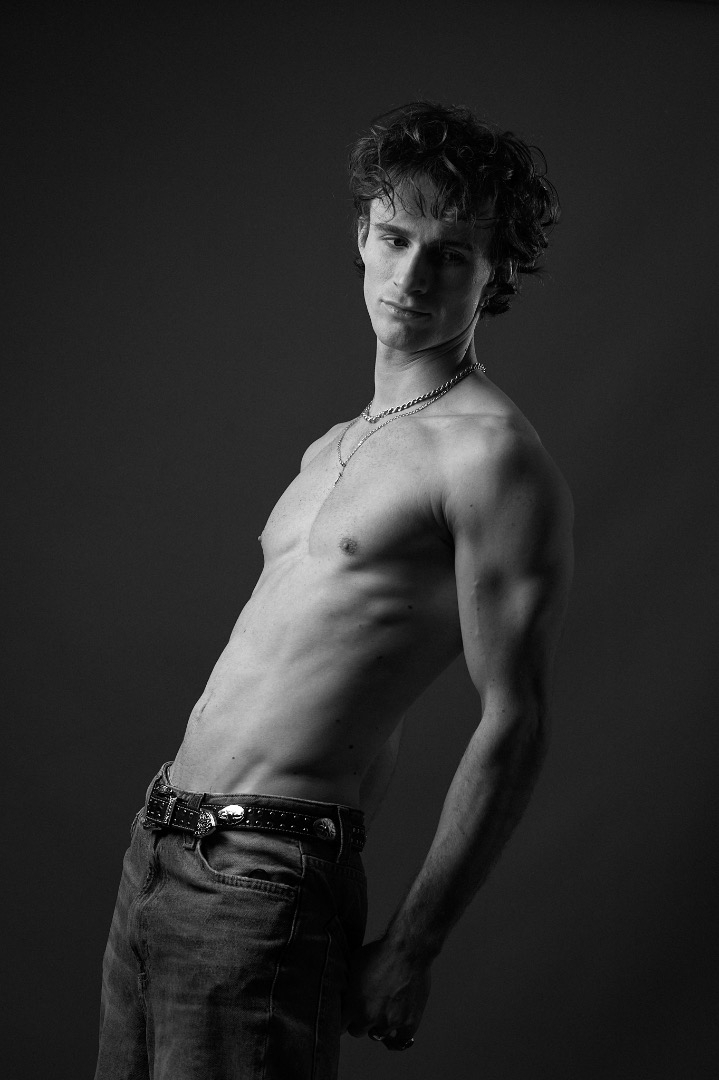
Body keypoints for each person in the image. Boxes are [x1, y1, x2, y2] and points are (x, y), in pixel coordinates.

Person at [95, 100, 573, 1080]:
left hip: (260, 881)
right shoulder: (334, 445)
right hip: (161, 846)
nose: (411, 276)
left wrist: (411, 943)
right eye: (395, 238)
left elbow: (515, 720)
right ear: (361, 235)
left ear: (495, 273)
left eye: (449, 254)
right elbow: (358, 685)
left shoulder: (490, 457)